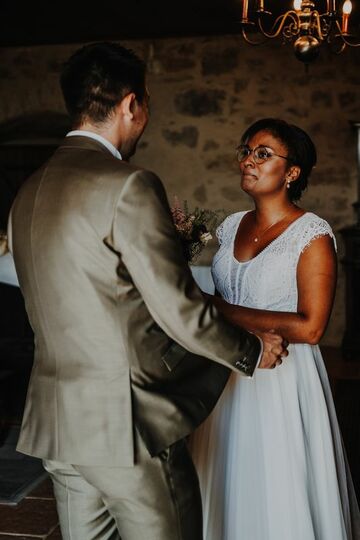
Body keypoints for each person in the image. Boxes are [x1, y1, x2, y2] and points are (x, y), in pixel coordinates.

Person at [7, 44, 287, 540]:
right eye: (147, 106)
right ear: (132, 104)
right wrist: (251, 350)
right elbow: (178, 309)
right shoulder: (128, 184)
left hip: (58, 423)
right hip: (125, 429)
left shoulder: (28, 192)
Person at [190, 118, 360, 540]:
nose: (248, 160)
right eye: (246, 151)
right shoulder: (229, 226)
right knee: (221, 477)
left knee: (275, 489)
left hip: (280, 380)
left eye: (262, 154)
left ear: (292, 172)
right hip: (225, 371)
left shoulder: (312, 235)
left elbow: (312, 327)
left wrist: (219, 310)